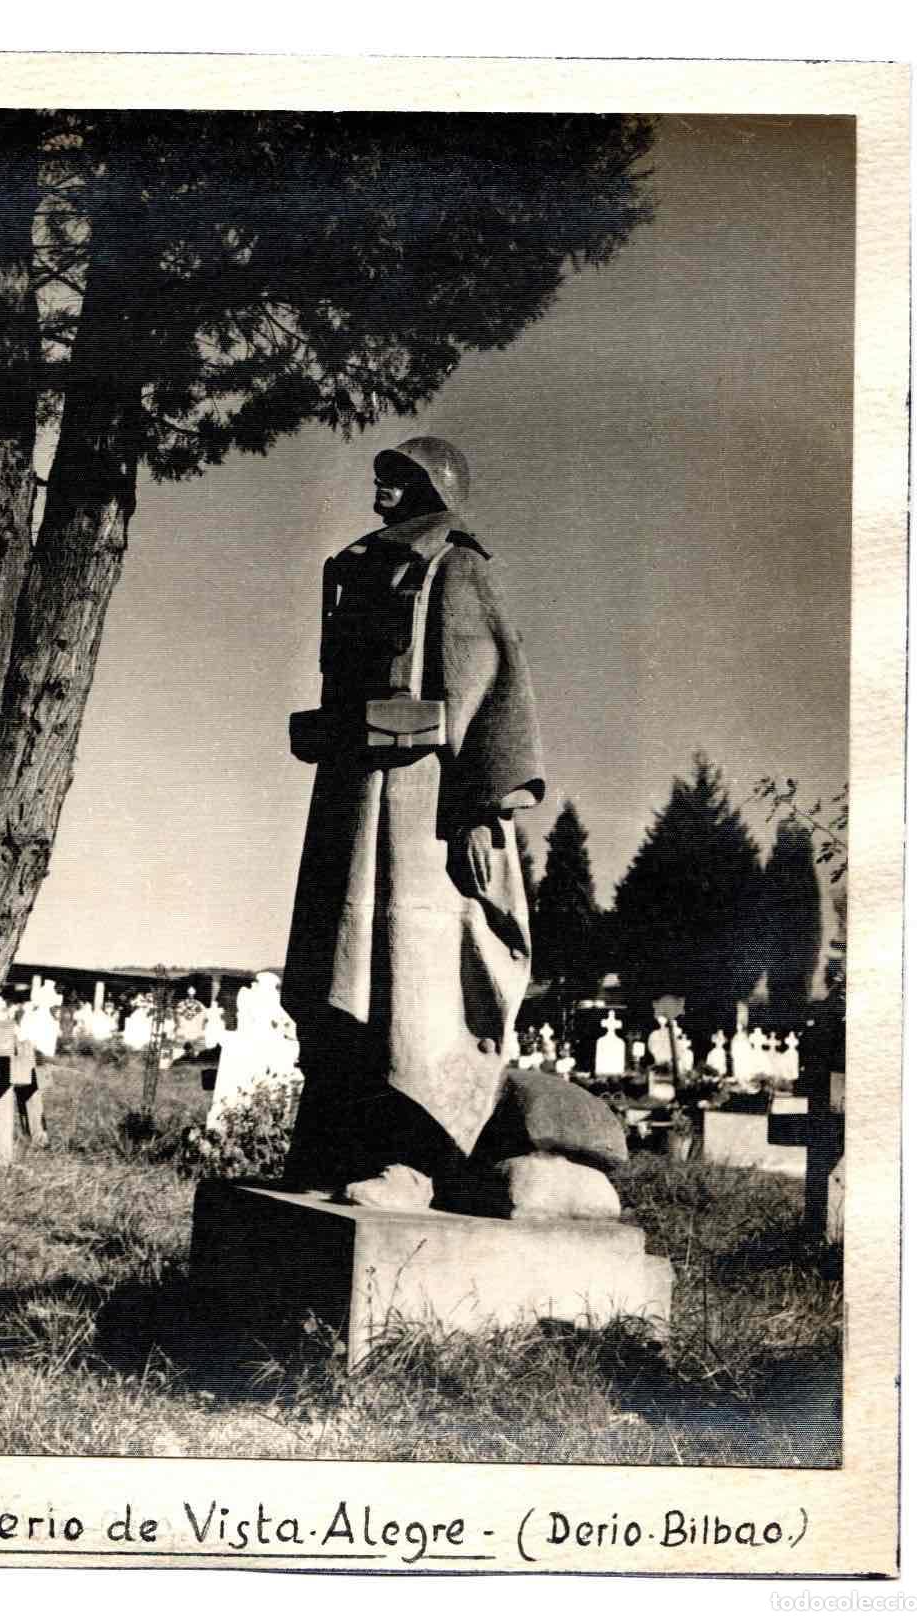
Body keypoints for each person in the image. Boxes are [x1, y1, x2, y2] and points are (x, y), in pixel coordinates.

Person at [281, 436, 545, 1208]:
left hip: (424, 804)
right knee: (344, 962)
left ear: (433, 486)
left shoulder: (455, 566)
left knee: (415, 975)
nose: (380, 493)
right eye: (378, 479)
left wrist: (478, 811)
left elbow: (496, 687)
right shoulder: (365, 569)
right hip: (351, 793)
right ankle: (338, 1143)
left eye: (396, 481)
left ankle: (415, 1159)